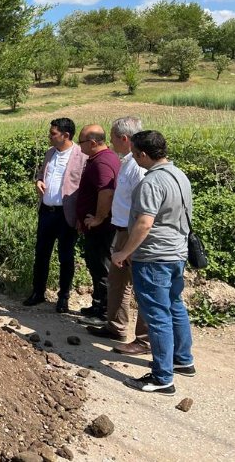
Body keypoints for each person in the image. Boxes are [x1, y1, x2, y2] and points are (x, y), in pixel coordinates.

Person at [112, 130, 195, 395]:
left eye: (134, 154)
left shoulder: (151, 183)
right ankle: (182, 360)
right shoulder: (179, 175)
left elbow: (144, 223)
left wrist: (124, 252)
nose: (133, 158)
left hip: (154, 256)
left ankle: (162, 378)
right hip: (176, 253)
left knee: (157, 315)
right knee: (174, 305)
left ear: (143, 154)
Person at [85, 117, 150, 356]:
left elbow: (144, 205)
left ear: (124, 139)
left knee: (141, 286)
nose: (109, 141)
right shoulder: (128, 161)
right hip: (121, 230)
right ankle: (116, 326)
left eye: (112, 137)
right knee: (117, 281)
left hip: (134, 233)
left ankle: (144, 340)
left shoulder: (141, 166)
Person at [24, 118, 87, 312]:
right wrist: (38, 182)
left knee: (65, 257)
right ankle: (38, 292)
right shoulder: (50, 153)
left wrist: (80, 217)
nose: (49, 136)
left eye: (53, 133)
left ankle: (63, 298)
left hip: (66, 214)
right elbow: (42, 174)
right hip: (47, 211)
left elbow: (85, 190)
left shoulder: (81, 156)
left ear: (65, 135)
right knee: (41, 253)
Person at [75, 124, 120, 320]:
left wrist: (99, 218)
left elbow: (107, 192)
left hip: (102, 228)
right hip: (94, 226)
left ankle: (104, 310)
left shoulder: (103, 162)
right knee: (95, 266)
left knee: (102, 267)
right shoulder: (98, 159)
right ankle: (98, 304)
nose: (79, 147)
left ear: (93, 142)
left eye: (81, 142)